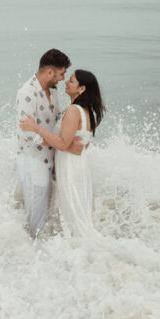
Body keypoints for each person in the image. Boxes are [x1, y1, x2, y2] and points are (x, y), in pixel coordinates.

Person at [20, 69, 105, 237]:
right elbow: (77, 143)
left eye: (72, 81)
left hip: (70, 168)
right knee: (75, 214)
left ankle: (72, 250)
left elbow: (62, 142)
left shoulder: (74, 110)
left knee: (72, 216)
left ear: (81, 89)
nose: (66, 81)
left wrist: (36, 128)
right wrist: (37, 139)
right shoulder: (86, 112)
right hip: (77, 165)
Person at [15, 48, 79, 239]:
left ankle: (40, 247)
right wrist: (58, 143)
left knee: (47, 207)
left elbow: (58, 117)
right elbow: (26, 133)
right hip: (33, 160)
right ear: (50, 72)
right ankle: (28, 249)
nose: (63, 78)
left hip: (51, 158)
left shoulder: (52, 90)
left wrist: (71, 134)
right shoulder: (27, 92)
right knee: (36, 212)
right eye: (61, 73)